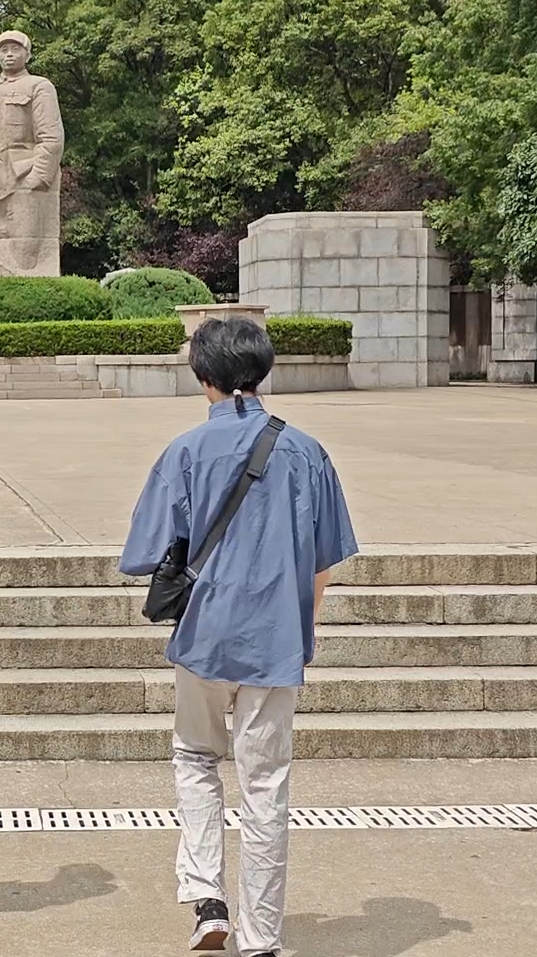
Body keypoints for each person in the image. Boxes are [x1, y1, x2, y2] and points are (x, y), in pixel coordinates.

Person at [120, 317, 358, 957]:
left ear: (204, 376)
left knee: (196, 757)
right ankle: (262, 935)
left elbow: (143, 553)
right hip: (276, 639)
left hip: (205, 634)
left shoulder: (185, 452)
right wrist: (302, 630)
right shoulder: (307, 452)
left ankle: (207, 899)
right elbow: (324, 560)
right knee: (266, 784)